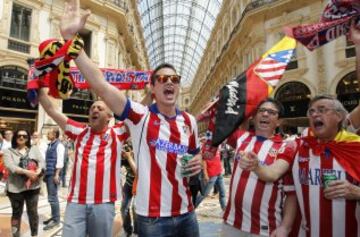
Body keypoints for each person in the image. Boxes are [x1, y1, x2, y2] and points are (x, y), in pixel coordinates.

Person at [59, 1, 203, 236]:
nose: (169, 82)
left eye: (174, 79)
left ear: (178, 87)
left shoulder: (189, 121)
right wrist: (71, 40)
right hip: (153, 219)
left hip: (187, 213)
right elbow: (102, 85)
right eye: (162, 79)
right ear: (153, 89)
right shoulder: (140, 116)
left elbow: (194, 156)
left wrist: (197, 164)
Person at [38, 87, 127, 237]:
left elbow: (138, 115)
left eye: (100, 108)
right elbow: (52, 109)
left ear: (109, 116)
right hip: (76, 202)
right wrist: (38, 89)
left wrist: (152, 93)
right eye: (92, 108)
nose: (95, 110)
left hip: (104, 202)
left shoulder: (117, 133)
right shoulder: (79, 131)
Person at [222, 98, 298, 237]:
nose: (265, 114)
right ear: (254, 116)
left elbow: (285, 187)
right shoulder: (241, 137)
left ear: (279, 121)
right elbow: (221, 125)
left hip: (264, 228)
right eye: (261, 110)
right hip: (230, 223)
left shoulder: (285, 147)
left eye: (271, 112)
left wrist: (285, 227)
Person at [3, 129, 44, 237]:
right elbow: (10, 166)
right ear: (15, 137)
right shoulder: (9, 151)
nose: (21, 138)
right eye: (19, 136)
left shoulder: (34, 149)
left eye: (24, 136)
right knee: (16, 214)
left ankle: (34, 235)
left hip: (33, 187)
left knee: (33, 213)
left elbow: (42, 162)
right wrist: (27, 172)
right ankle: (16, 235)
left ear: (28, 138)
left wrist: (39, 170)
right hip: (15, 188)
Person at [43, 127, 65, 230]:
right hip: (48, 173)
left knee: (53, 197)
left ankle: (56, 220)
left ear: (55, 134)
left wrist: (57, 174)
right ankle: (54, 216)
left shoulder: (59, 145)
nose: (47, 135)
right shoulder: (50, 145)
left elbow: (60, 161)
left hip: (53, 174)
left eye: (49, 133)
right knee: (51, 197)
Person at [121, 141, 137, 237]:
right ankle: (127, 230)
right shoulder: (123, 155)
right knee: (124, 208)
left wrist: (129, 157)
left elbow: (137, 172)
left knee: (135, 207)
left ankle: (137, 231)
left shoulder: (137, 154)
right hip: (128, 183)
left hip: (139, 184)